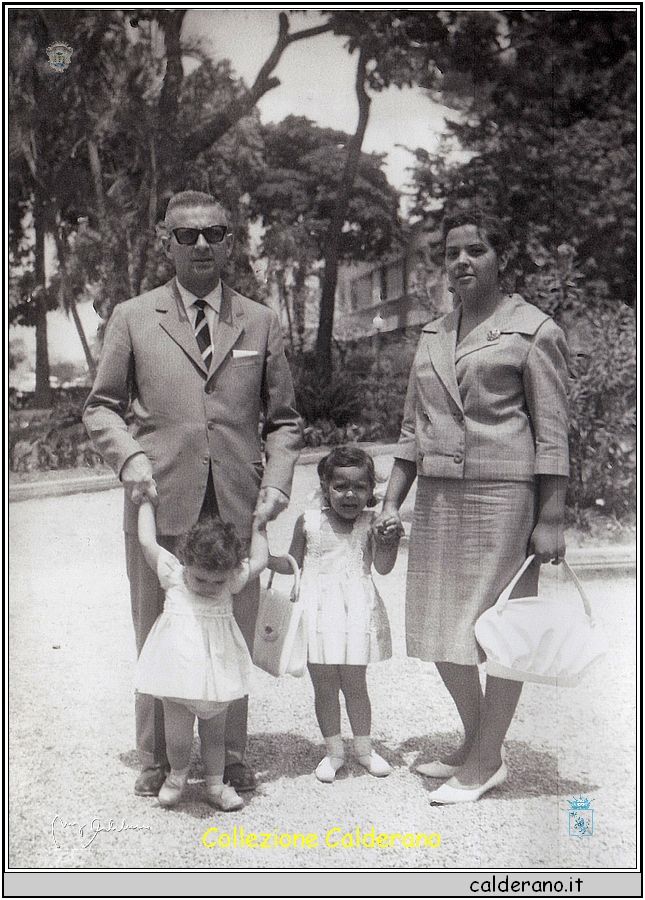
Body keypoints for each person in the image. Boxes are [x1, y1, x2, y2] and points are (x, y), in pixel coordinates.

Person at [83, 190, 302, 797]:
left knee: (231, 626)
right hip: (159, 495)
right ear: (167, 243)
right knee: (158, 627)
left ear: (231, 241)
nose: (201, 244)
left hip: (236, 503)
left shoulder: (259, 319)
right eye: (187, 235)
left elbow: (284, 420)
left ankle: (229, 757)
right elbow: (100, 407)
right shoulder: (132, 316)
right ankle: (159, 757)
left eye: (214, 233)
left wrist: (278, 483)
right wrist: (128, 458)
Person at [376, 208, 570, 804]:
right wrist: (391, 501)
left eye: (476, 250)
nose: (461, 261)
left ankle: (486, 759)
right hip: (438, 497)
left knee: (501, 631)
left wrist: (551, 514)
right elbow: (413, 426)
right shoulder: (434, 333)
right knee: (440, 629)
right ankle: (478, 738)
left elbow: (555, 429)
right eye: (451, 252)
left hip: (505, 497)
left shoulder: (534, 330)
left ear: (499, 258)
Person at [270, 446, 400, 783]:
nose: (350, 494)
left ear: (371, 491)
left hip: (354, 611)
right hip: (316, 612)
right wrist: (261, 556)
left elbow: (383, 569)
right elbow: (292, 563)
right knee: (325, 685)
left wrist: (388, 543)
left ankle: (364, 749)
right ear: (326, 485)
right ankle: (334, 752)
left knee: (355, 683)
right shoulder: (309, 521)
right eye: (340, 486)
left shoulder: (372, 524)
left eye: (359, 487)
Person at [135, 504, 268, 810]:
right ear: (187, 562)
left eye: (216, 582)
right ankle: (176, 776)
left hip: (216, 672)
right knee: (178, 736)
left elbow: (259, 560)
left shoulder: (232, 578)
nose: (209, 587)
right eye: (201, 579)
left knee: (214, 736)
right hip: (177, 672)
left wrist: (260, 525)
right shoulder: (174, 574)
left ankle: (215, 784)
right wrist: (144, 502)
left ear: (230, 572)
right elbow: (147, 542)